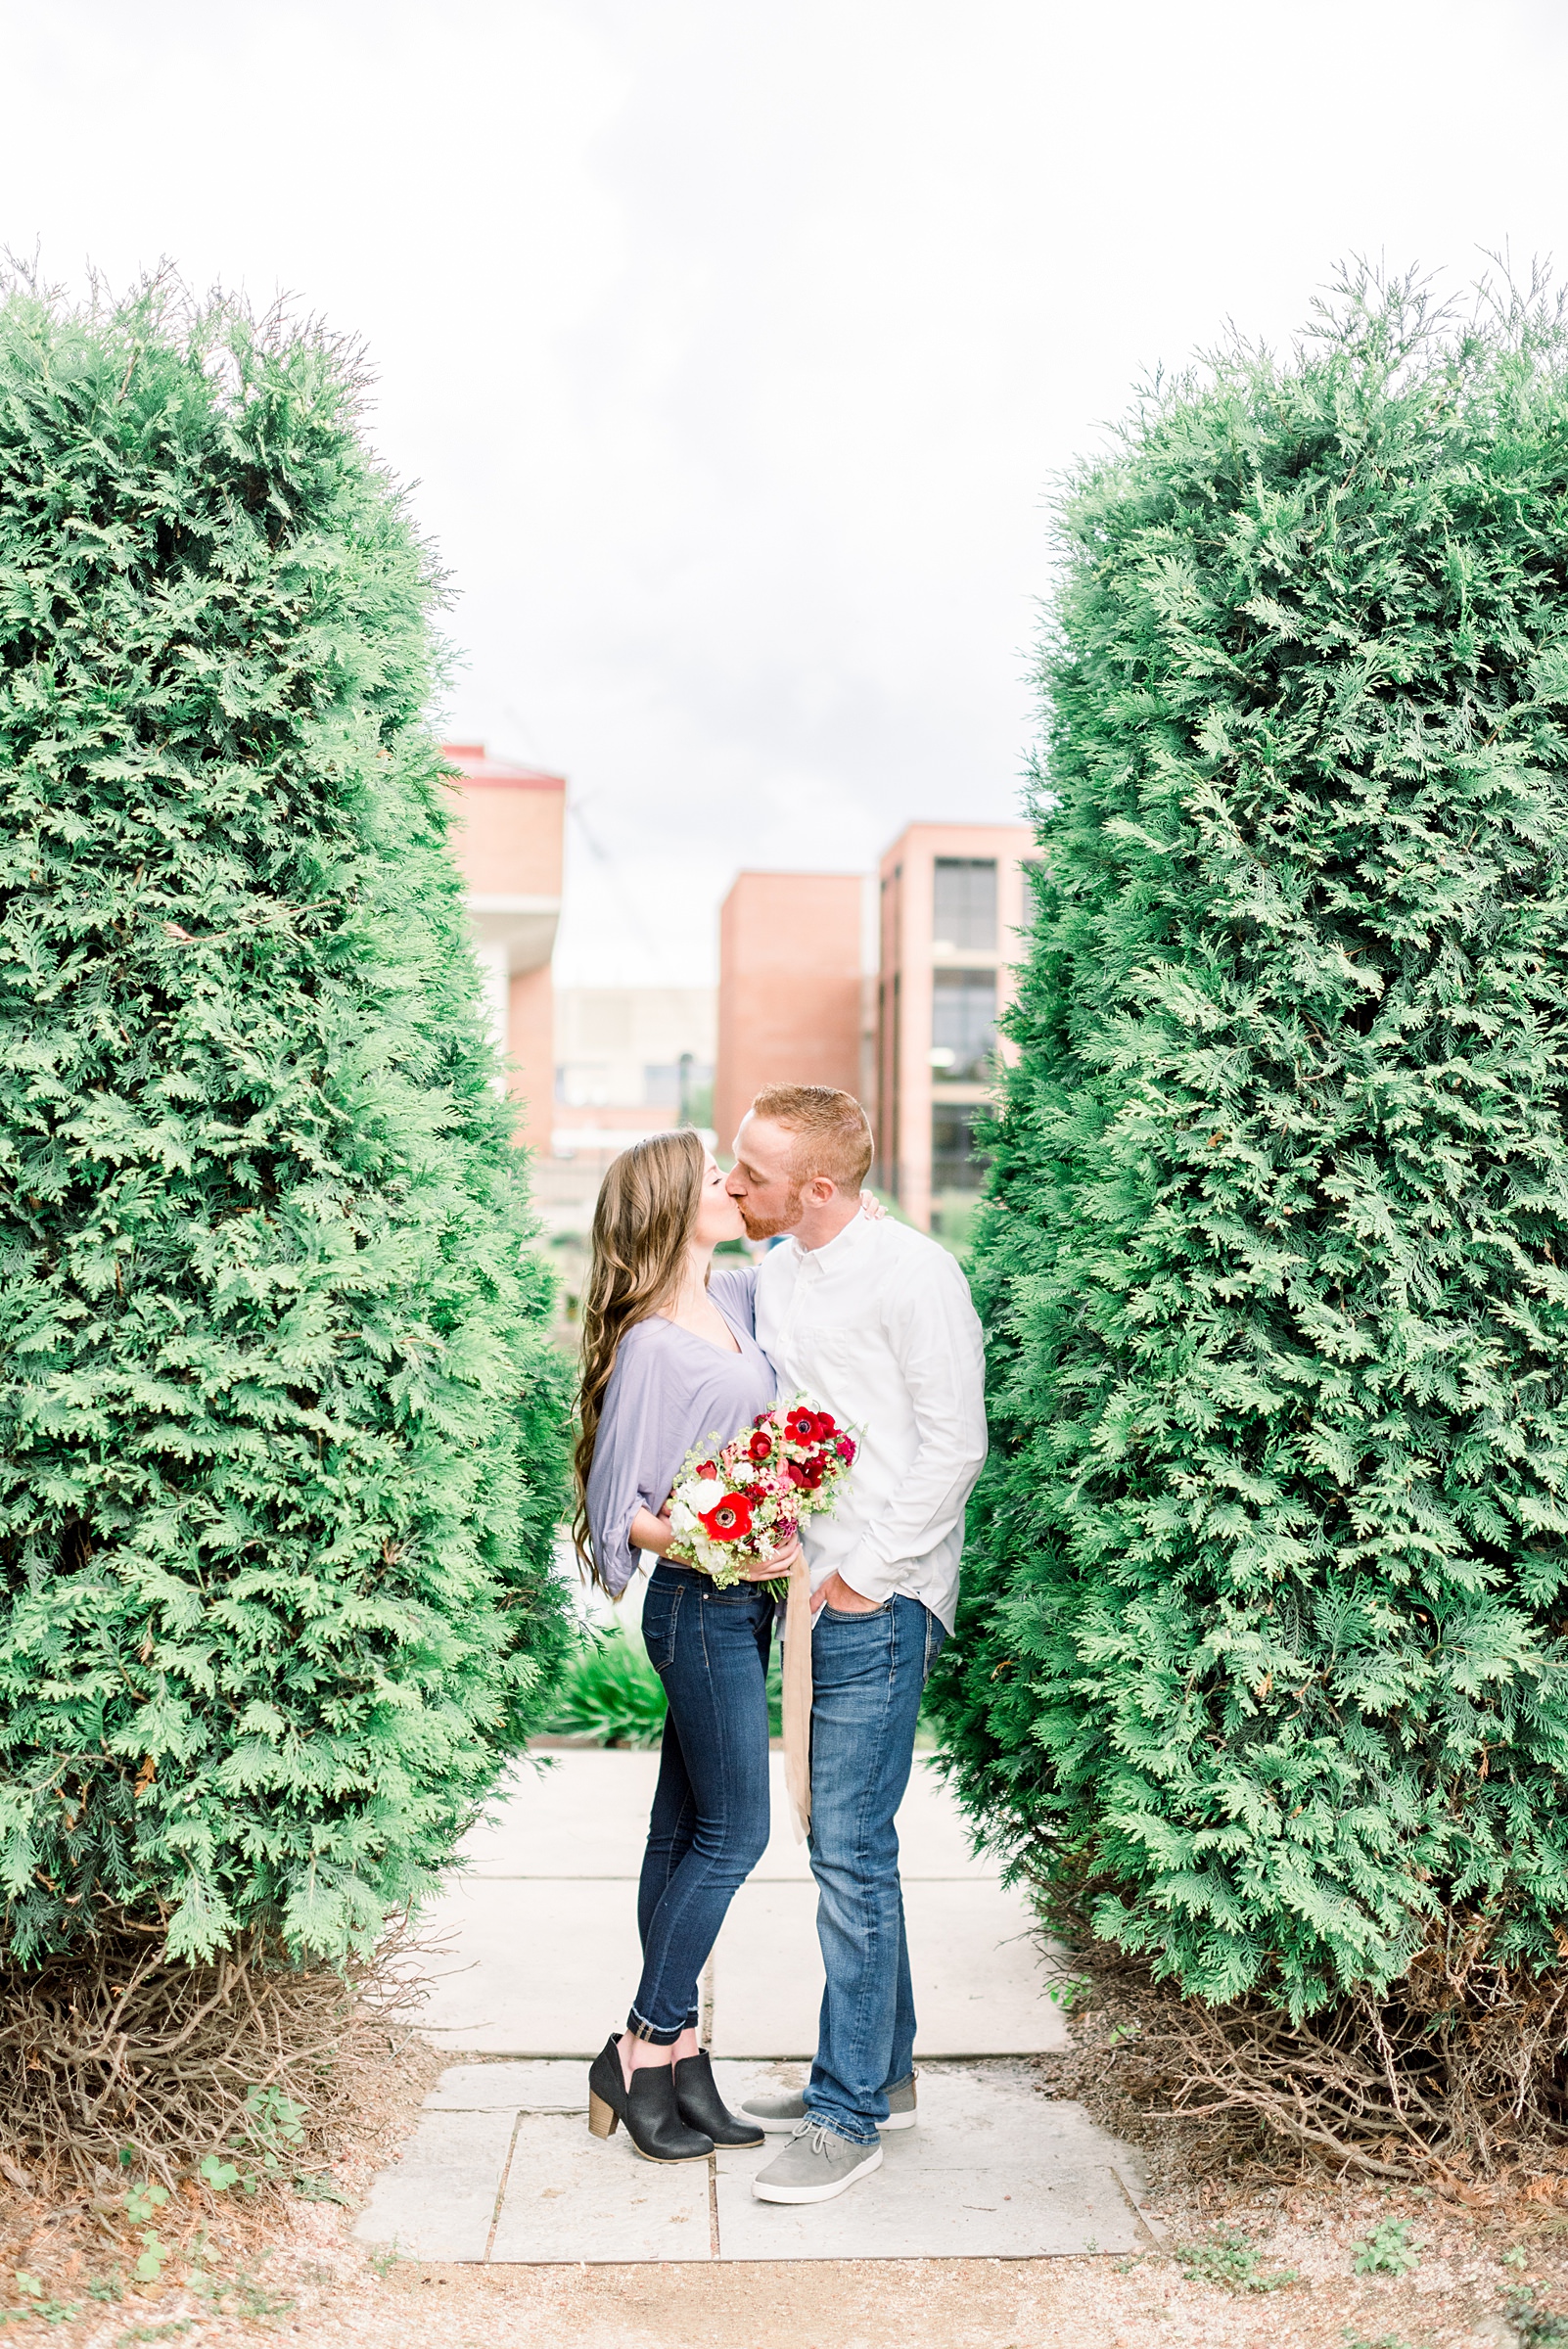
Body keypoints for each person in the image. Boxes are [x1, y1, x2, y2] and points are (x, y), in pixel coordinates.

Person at [723, 1084, 988, 2206]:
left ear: (819, 1188)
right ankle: (884, 2069)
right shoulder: (777, 1268)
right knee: (847, 1846)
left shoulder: (916, 1276)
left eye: (752, 1175)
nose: (731, 1186)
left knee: (846, 1853)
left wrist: (863, 1579)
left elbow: (956, 1443)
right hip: (807, 1595)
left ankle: (847, 2116)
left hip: (878, 1601)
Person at [575, 1128, 796, 2164]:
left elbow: (806, 1261)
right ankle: (641, 2047)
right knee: (736, 1836)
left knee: (681, 1833)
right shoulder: (655, 1345)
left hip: (740, 1608)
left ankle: (686, 2058)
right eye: (715, 1177)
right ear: (671, 1207)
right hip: (699, 1607)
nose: (731, 1185)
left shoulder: (739, 1298)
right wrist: (728, 1540)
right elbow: (621, 1508)